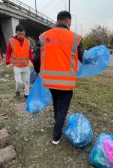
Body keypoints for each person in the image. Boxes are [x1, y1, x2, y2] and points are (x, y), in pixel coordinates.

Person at [33, 11, 84, 144]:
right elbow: (83, 58)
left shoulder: (44, 36)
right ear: (69, 22)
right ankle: (56, 135)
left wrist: (37, 71)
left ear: (57, 21)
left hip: (49, 81)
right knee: (63, 108)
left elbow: (36, 57)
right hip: (66, 83)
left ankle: (57, 121)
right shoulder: (76, 38)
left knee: (56, 102)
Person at [5, 25, 33, 98]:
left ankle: (27, 94)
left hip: (26, 66)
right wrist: (7, 63)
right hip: (17, 66)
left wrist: (35, 63)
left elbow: (30, 54)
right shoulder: (11, 41)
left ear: (25, 33)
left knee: (27, 81)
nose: (21, 36)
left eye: (23, 34)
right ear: (16, 33)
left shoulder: (28, 42)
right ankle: (18, 92)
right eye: (19, 34)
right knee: (18, 82)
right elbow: (8, 52)